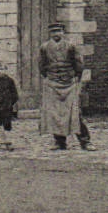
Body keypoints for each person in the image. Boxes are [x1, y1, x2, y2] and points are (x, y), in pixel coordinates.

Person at [38, 21, 93, 150]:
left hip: (69, 83)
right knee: (55, 113)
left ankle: (85, 141)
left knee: (74, 113)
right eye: (53, 32)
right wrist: (49, 77)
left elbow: (78, 64)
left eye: (58, 31)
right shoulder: (44, 47)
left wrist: (75, 78)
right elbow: (41, 65)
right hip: (53, 83)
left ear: (63, 33)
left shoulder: (71, 46)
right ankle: (59, 142)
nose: (56, 34)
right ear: (50, 34)